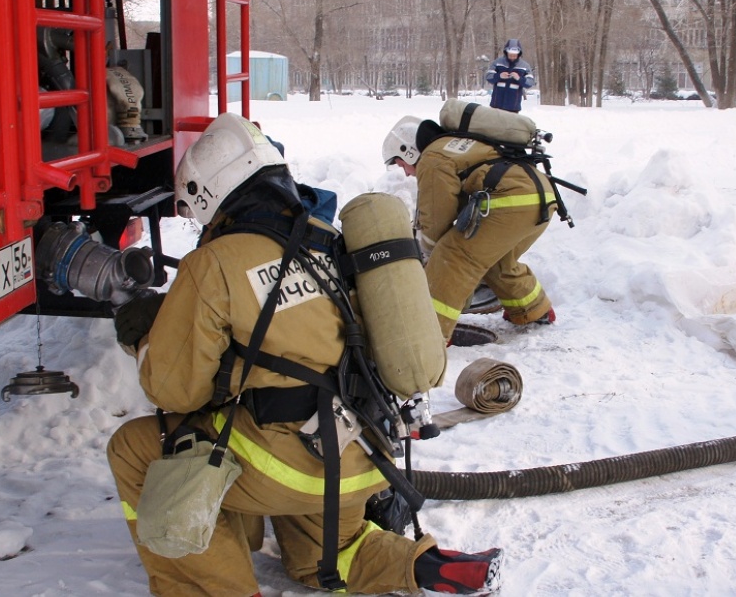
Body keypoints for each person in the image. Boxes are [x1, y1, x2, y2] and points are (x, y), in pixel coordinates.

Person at [106, 113, 502, 596]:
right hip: (359, 453)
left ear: (209, 194)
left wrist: (145, 338)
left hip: (287, 464)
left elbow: (174, 390)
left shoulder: (213, 263)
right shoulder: (325, 237)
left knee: (135, 448)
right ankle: (429, 566)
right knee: (327, 558)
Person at [382, 114, 556, 344]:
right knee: (496, 261)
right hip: (541, 197)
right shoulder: (457, 145)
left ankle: (426, 337)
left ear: (408, 151)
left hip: (510, 202)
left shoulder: (432, 157)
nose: (404, 171)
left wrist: (429, 250)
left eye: (400, 162)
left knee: (453, 256)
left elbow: (437, 213)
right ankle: (534, 310)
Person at [486, 39, 535, 113]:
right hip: (496, 104)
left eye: (514, 55)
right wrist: (499, 76)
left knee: (510, 124)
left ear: (519, 54)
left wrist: (519, 78)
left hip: (513, 106)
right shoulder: (497, 62)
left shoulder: (525, 66)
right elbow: (488, 77)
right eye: (510, 55)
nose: (512, 57)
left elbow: (530, 83)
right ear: (506, 52)